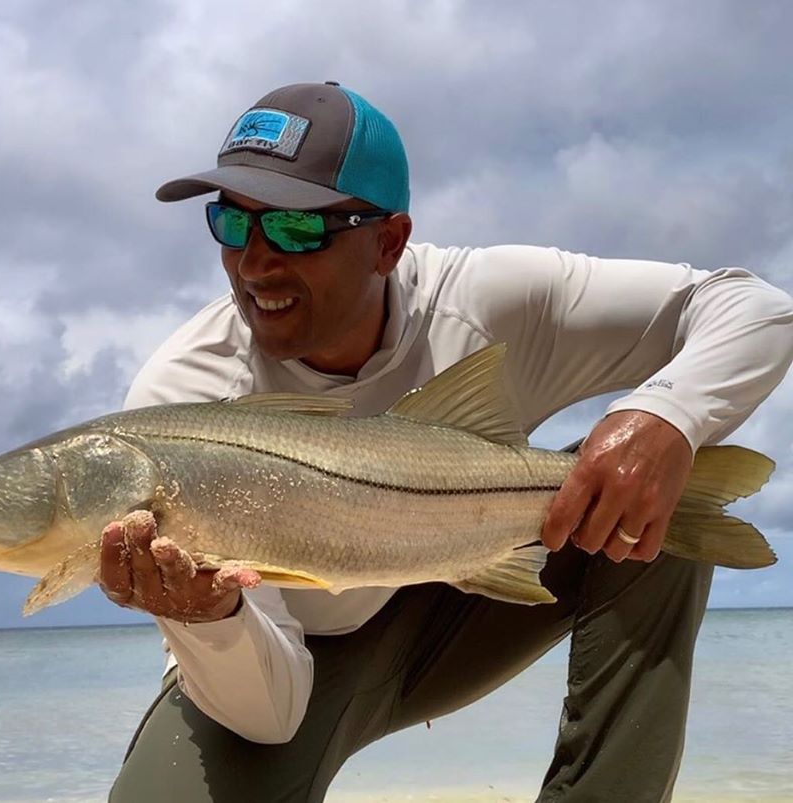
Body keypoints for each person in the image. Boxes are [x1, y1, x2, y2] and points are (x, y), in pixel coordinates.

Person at [99, 82, 793, 802]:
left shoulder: (485, 297)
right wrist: (209, 616)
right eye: (233, 225)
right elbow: (273, 713)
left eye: (297, 229)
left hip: (466, 601)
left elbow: (756, 309)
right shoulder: (181, 398)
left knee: (647, 499)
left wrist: (666, 419)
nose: (256, 263)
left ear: (388, 242)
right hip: (289, 655)